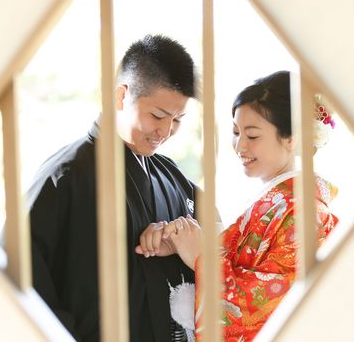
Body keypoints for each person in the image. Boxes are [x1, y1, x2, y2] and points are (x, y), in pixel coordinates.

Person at [136, 70, 339, 341]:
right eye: (235, 132)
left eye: (252, 136)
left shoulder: (307, 215)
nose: (240, 145)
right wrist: (179, 244)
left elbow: (270, 311)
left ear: (292, 138)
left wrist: (201, 258)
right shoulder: (276, 203)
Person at [28, 34, 202, 342]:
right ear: (121, 96)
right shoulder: (65, 177)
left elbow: (223, 246)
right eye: (157, 115)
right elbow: (22, 285)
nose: (165, 131)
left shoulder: (172, 177)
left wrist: (189, 240)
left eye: (177, 120)